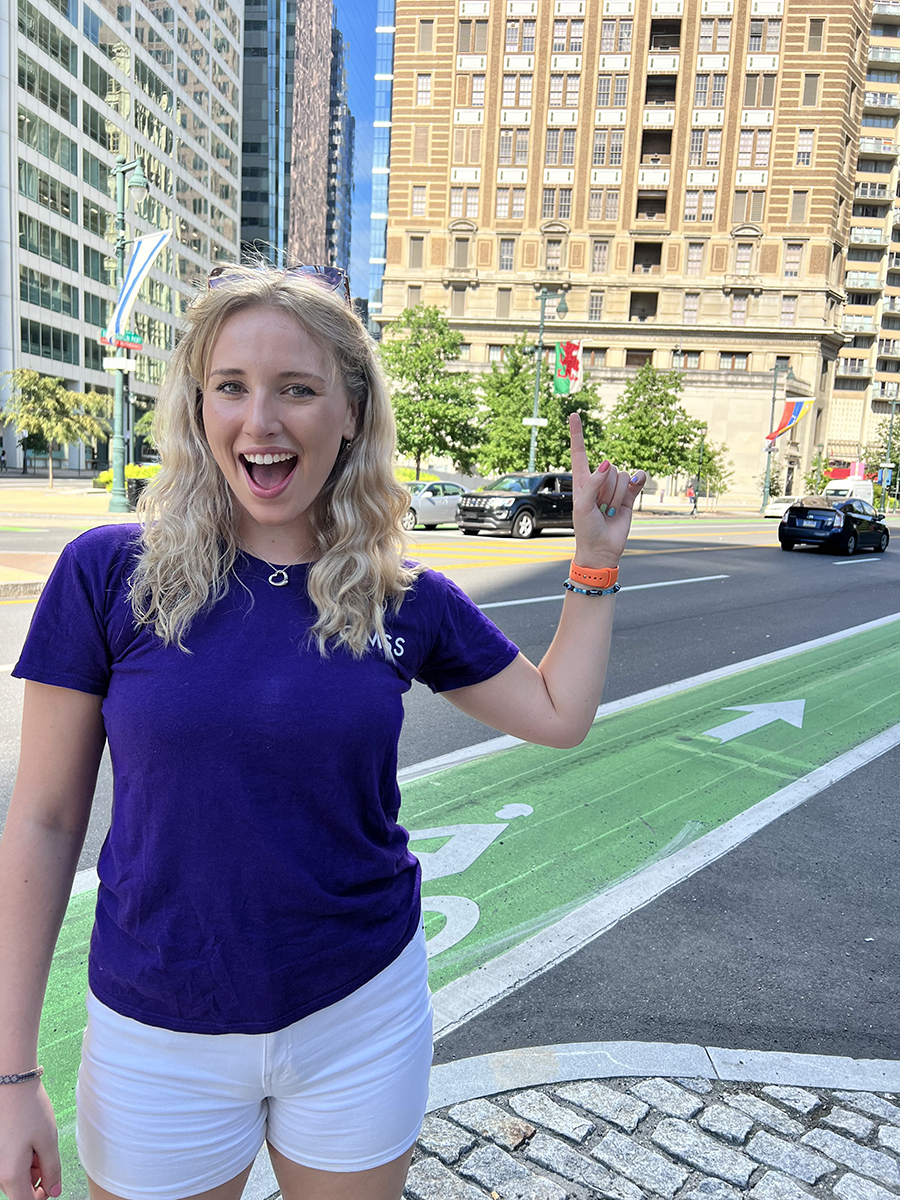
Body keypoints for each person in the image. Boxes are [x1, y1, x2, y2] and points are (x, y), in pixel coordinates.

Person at [0, 263, 646, 1200]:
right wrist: (12, 1073)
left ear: (350, 414)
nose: (259, 421)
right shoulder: (109, 574)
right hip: (158, 1023)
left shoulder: (402, 596)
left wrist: (593, 566)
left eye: (296, 389)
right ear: (196, 406)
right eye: (231, 387)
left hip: (359, 1015)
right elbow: (45, 823)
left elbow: (557, 715)